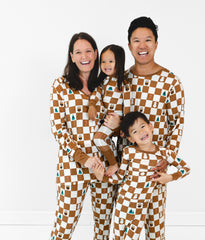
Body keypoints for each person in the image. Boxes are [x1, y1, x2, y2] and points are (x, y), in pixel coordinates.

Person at [104, 16, 185, 240]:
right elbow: (111, 120)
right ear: (129, 45)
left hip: (154, 166)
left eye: (148, 40)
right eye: (136, 40)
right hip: (125, 168)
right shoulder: (122, 79)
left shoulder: (170, 81)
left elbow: (177, 124)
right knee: (123, 228)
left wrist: (167, 158)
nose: (142, 46)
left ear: (156, 43)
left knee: (153, 226)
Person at [49, 32, 117, 240]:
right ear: (71, 56)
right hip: (73, 167)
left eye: (88, 51)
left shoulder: (106, 85)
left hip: (104, 166)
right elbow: (58, 129)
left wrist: (116, 125)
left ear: (96, 54)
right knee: (64, 225)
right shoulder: (60, 85)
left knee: (104, 228)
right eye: (78, 52)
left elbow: (115, 125)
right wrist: (84, 159)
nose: (84, 56)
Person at [93, 111, 190, 240]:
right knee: (118, 237)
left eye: (142, 127)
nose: (141, 132)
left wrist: (170, 177)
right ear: (131, 139)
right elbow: (120, 177)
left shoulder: (164, 153)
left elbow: (186, 169)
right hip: (123, 204)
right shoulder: (129, 152)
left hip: (140, 208)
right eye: (134, 132)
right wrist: (101, 177)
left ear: (150, 127)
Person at [88, 44, 126, 176]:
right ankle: (113, 160)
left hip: (119, 122)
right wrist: (92, 105)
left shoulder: (125, 83)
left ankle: (113, 163)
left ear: (119, 62)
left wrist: (122, 123)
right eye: (103, 61)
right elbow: (96, 94)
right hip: (106, 121)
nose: (106, 64)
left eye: (110, 61)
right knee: (100, 139)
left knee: (98, 139)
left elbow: (130, 105)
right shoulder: (102, 82)